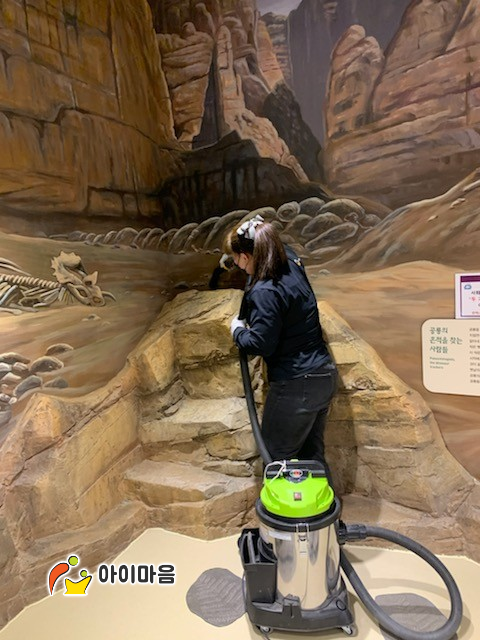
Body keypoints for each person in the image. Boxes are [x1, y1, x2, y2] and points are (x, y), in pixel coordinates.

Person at [225, 215, 338, 481]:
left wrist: (237, 330)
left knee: (277, 460)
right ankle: (325, 508)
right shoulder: (291, 262)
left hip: (296, 385)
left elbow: (261, 344)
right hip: (322, 375)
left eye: (236, 259)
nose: (237, 266)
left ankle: (281, 510)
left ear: (246, 256)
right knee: (312, 457)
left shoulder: (265, 291)